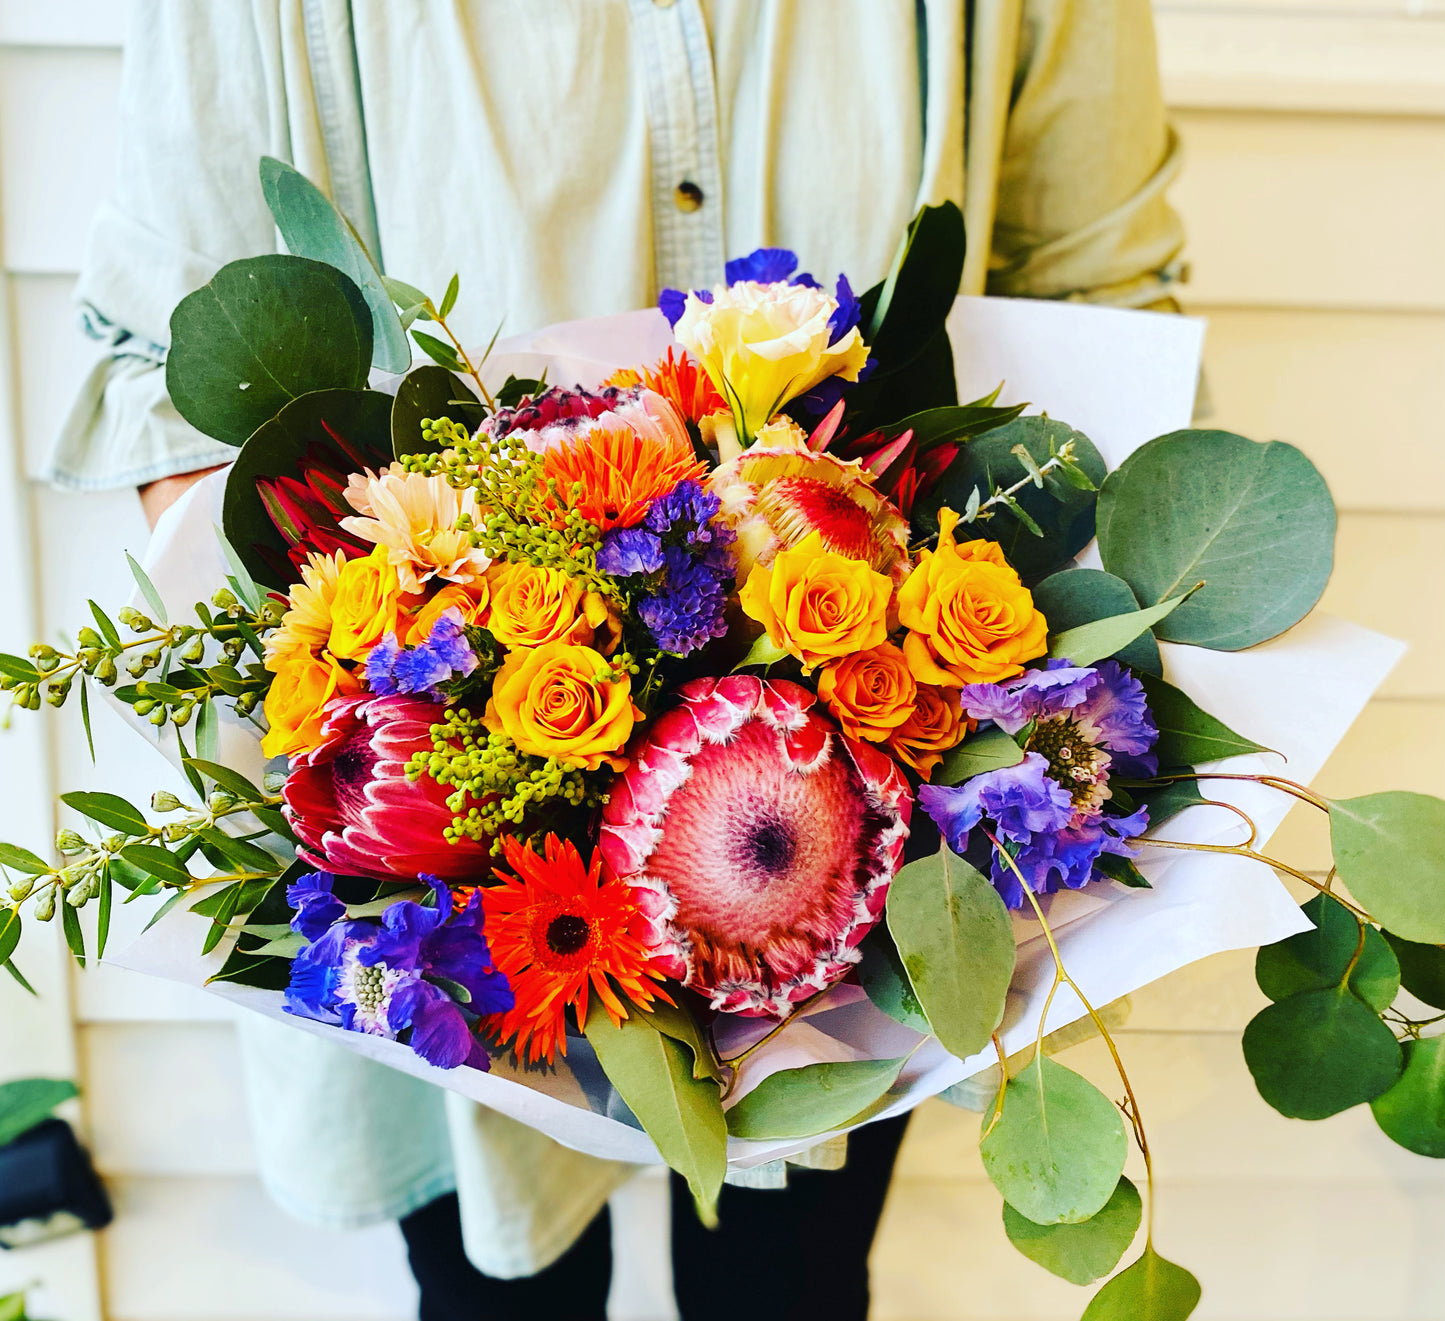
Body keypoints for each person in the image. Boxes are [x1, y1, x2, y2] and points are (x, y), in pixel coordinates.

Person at [53, 4, 1184, 1318]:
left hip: (878, 836)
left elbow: (1102, 308)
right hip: (458, 863)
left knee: (795, 1283)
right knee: (495, 1290)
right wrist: (434, 692)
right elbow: (171, 392)